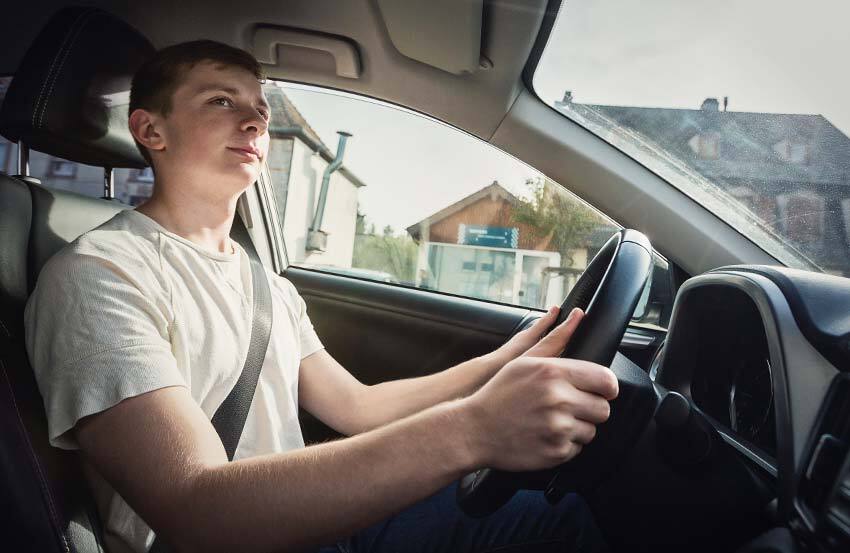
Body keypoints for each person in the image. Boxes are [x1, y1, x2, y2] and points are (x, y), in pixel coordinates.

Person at [24, 40, 619, 553]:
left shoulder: (269, 287)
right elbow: (199, 510)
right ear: (151, 130)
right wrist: (472, 431)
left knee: (559, 514)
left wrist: (505, 361)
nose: (256, 122)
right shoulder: (99, 276)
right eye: (220, 102)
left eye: (258, 109)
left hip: (313, 528)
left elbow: (359, 408)